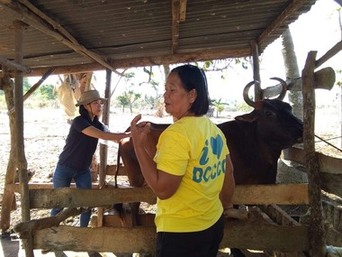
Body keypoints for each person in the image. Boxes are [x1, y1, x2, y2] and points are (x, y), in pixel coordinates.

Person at [130, 64, 235, 257]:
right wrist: (223, 208)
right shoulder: (214, 130)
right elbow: (228, 173)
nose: (165, 96)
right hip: (212, 223)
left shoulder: (177, 134)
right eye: (165, 90)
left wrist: (137, 145)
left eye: (172, 90)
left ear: (192, 95)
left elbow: (163, 190)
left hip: (182, 233)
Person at [51, 89, 130, 228]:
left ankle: (83, 235)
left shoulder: (99, 125)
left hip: (82, 171)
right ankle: (51, 234)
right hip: (65, 167)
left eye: (100, 103)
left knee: (87, 205)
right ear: (86, 106)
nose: (99, 106)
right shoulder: (79, 122)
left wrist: (129, 137)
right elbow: (104, 136)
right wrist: (129, 134)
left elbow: (113, 138)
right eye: (96, 103)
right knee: (59, 204)